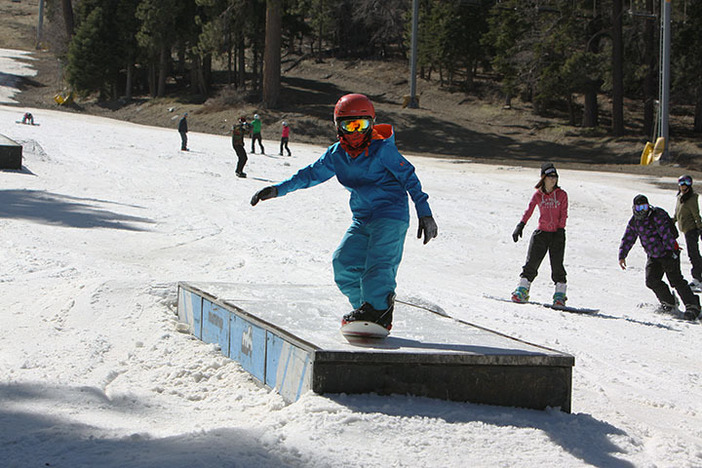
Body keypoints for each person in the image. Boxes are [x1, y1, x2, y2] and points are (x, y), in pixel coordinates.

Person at [250, 93, 438, 332]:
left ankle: (379, 309)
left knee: (378, 265)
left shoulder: (382, 151)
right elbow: (309, 175)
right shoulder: (337, 155)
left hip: (390, 214)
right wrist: (277, 190)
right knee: (344, 264)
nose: (356, 132)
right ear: (338, 126)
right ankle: (366, 308)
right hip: (362, 217)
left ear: (372, 124)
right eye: (349, 125)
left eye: (362, 125)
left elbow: (409, 177)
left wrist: (425, 213)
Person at [618, 194, 701, 321]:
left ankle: (693, 305)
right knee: (651, 280)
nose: (643, 211)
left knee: (676, 280)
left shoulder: (657, 216)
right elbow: (628, 238)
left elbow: (666, 234)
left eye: (645, 207)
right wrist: (622, 255)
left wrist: (670, 252)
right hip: (654, 255)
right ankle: (669, 302)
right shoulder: (635, 221)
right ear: (634, 208)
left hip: (668, 252)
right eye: (639, 208)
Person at [511, 162, 568, 306]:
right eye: (550, 176)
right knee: (531, 263)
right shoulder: (538, 195)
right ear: (544, 178)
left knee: (557, 266)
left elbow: (564, 214)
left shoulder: (562, 195)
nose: (553, 179)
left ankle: (560, 295)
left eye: (555, 176)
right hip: (541, 234)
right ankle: (522, 290)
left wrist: (560, 230)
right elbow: (529, 211)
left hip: (557, 234)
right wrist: (521, 225)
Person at [674, 175, 702, 288]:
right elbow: (677, 213)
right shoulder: (680, 197)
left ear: (690, 185)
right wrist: (672, 221)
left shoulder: (691, 198)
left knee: (693, 254)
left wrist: (700, 228)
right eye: (681, 184)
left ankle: (698, 279)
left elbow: (696, 215)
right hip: (685, 229)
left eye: (685, 183)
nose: (683, 186)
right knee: (693, 254)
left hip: (691, 229)